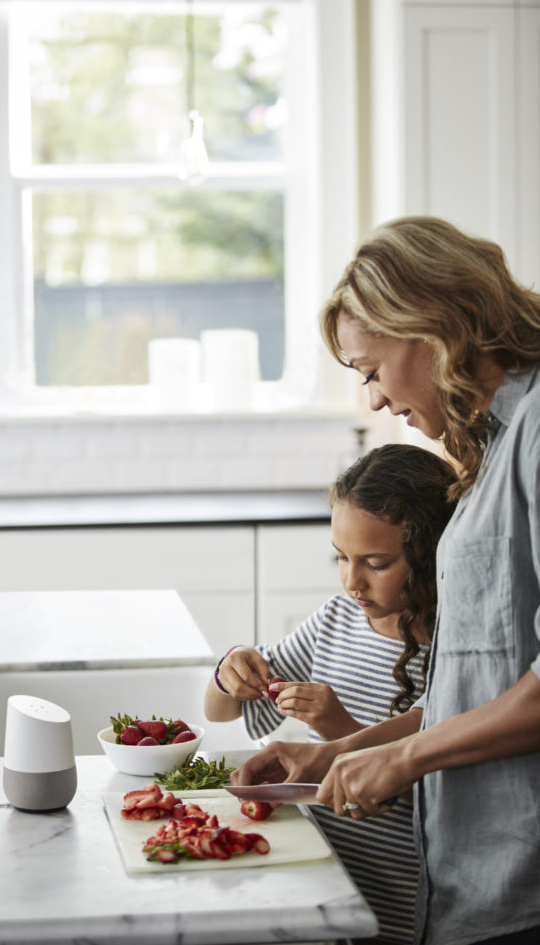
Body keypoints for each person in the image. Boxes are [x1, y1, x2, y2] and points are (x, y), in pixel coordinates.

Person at [231, 216, 540, 945]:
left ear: (430, 329)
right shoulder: (495, 445)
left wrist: (401, 758)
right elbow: (479, 686)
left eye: (369, 369)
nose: (371, 397)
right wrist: (342, 751)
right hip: (472, 871)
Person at [206, 443, 456, 945]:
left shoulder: (456, 645)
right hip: (327, 873)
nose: (351, 581)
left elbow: (436, 783)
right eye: (341, 558)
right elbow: (220, 711)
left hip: (409, 892)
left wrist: (339, 730)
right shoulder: (335, 620)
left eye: (377, 563)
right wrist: (227, 673)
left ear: (430, 555)